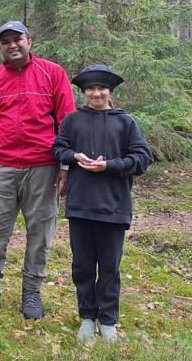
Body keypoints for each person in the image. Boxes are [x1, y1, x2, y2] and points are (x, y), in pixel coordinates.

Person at [0, 21, 75, 321]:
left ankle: (32, 292)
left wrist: (66, 164)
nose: (12, 45)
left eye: (17, 39)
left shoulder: (52, 73)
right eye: (5, 41)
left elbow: (67, 120)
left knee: (40, 231)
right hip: (1, 165)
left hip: (43, 165)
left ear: (29, 40)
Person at [53, 64, 152, 343]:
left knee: (109, 265)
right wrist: (74, 157)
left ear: (110, 92)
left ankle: (108, 319)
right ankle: (87, 316)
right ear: (84, 93)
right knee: (82, 265)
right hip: (80, 203)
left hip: (114, 204)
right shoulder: (72, 121)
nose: (96, 93)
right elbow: (58, 148)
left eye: (101, 88)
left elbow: (142, 158)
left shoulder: (125, 122)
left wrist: (109, 165)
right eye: (90, 89)